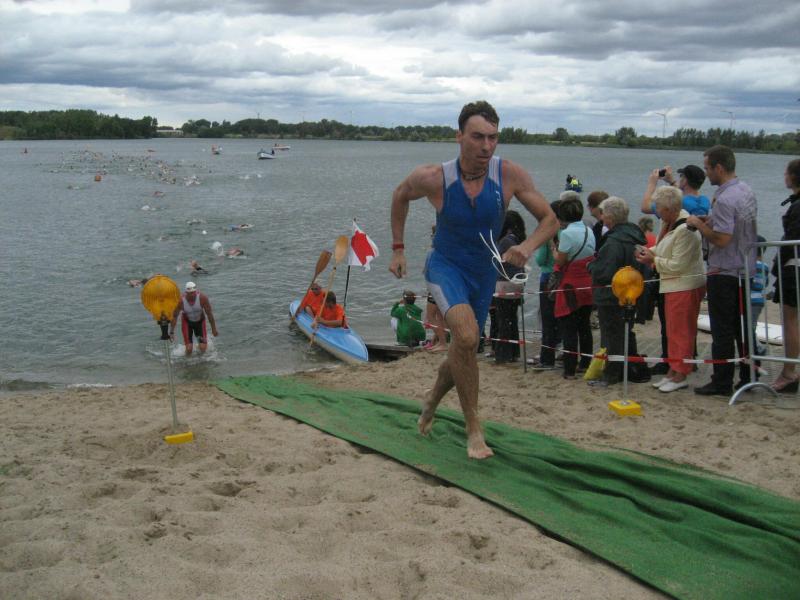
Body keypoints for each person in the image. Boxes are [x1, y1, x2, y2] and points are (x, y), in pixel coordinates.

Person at [388, 100, 558, 459]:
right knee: (466, 337)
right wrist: (398, 249)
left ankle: (432, 400)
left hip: (483, 272)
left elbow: (550, 220)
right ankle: (473, 429)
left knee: (465, 346)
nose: (486, 146)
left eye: (493, 138)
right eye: (478, 137)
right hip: (445, 266)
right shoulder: (434, 177)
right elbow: (400, 196)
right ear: (459, 136)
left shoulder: (508, 174)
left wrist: (526, 247)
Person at [687, 145, 758, 395]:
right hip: (744, 268)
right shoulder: (745, 190)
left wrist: (698, 224)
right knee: (741, 327)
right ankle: (749, 373)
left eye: (707, 168)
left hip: (725, 270)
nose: (706, 173)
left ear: (719, 168)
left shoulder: (726, 198)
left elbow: (722, 239)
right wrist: (711, 220)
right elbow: (735, 227)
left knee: (723, 328)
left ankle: (722, 380)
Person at [635, 186, 705, 392]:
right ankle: (673, 370)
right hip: (672, 284)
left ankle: (681, 373)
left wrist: (653, 260)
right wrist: (648, 251)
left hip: (684, 285)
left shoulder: (686, 230)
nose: (657, 212)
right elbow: (664, 248)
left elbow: (678, 265)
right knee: (672, 330)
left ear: (670, 209)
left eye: (659, 208)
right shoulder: (669, 223)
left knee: (682, 331)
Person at [588, 196, 649, 386]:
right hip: (630, 292)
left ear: (610, 217)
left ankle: (611, 374)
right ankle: (629, 369)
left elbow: (604, 271)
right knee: (625, 332)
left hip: (612, 295)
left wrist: (592, 266)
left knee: (611, 335)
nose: (602, 217)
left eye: (603, 214)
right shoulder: (634, 236)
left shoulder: (614, 241)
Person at [552, 196, 595, 379]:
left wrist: (554, 250)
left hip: (571, 285)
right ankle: (586, 362)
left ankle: (569, 368)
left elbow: (560, 261)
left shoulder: (566, 234)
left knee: (569, 328)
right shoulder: (588, 230)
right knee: (584, 326)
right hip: (587, 282)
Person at [770, 159, 800, 393]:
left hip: (793, 267)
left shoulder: (797, 206)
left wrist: (776, 266)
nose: (784, 176)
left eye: (786, 173)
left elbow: (791, 240)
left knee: (790, 320)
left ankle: (789, 371)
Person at [488, 210, 527, 363]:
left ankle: (503, 354)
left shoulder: (505, 242)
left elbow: (497, 263)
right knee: (512, 319)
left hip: (505, 282)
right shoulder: (518, 240)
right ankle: (514, 352)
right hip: (517, 282)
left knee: (503, 319)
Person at [532, 200, 562, 370]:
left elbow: (540, 259)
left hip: (547, 277)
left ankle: (547, 357)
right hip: (562, 277)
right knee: (560, 317)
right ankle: (561, 349)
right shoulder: (565, 232)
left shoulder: (548, 235)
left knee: (547, 319)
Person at [170, 281, 218, 355]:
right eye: (190, 293)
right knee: (189, 349)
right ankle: (187, 361)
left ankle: (200, 360)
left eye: (194, 292)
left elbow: (209, 314)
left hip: (200, 322)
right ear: (186, 293)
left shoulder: (202, 298)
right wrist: (171, 332)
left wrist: (214, 329)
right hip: (187, 323)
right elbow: (175, 316)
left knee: (203, 348)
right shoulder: (181, 301)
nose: (193, 295)